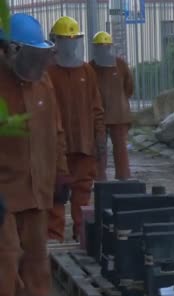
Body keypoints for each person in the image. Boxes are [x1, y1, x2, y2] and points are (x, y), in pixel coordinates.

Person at [0, 13, 69, 296]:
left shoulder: (43, 82)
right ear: (9, 50)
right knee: (6, 251)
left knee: (36, 249)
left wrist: (61, 175)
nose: (36, 62)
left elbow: (56, 131)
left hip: (38, 182)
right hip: (4, 186)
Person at [46, 16, 105, 242]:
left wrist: (99, 140)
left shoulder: (86, 72)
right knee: (57, 195)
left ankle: (81, 237)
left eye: (74, 39)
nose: (71, 44)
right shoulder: (47, 73)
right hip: (57, 150)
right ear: (56, 41)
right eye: (66, 39)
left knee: (82, 195)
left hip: (84, 147)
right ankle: (54, 239)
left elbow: (96, 107)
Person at [89, 31, 134, 181]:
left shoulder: (120, 64)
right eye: (100, 47)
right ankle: (100, 177)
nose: (103, 50)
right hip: (99, 115)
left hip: (118, 114)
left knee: (119, 147)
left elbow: (129, 86)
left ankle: (122, 176)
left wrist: (119, 101)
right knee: (99, 147)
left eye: (105, 47)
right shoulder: (91, 67)